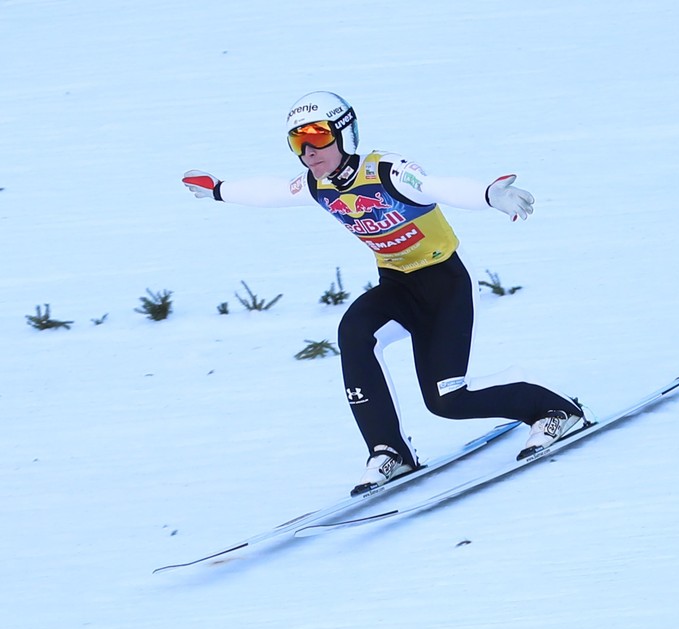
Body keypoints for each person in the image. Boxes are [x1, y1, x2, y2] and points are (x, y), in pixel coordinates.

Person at [183, 91, 585, 495]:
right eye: (297, 141)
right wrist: (219, 189)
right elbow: (271, 192)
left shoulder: (387, 171)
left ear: (344, 135)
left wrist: (487, 195)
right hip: (398, 287)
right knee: (355, 332)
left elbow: (437, 186)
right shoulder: (317, 184)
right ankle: (389, 450)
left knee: (447, 401)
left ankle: (554, 409)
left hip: (445, 286)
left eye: (318, 136)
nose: (308, 151)